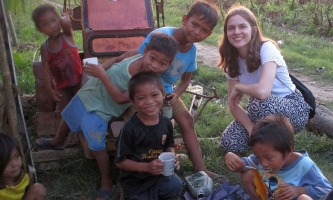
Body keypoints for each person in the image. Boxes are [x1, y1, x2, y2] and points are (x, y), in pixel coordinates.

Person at [35, 32, 179, 200]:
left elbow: (119, 99)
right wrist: (102, 68)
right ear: (145, 51)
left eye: (162, 64)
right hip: (91, 91)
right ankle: (57, 142)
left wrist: (101, 75)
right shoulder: (134, 55)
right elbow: (117, 60)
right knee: (69, 114)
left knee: (96, 144)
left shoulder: (145, 81)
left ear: (168, 65)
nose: (154, 65)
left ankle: (106, 181)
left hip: (103, 109)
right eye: (152, 58)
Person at [102, 0, 225, 182]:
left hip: (166, 93)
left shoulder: (191, 52)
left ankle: (201, 169)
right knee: (140, 123)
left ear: (209, 34)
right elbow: (138, 58)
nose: (197, 32)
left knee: (186, 120)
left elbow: (186, 80)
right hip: (144, 87)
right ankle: (136, 168)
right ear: (185, 19)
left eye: (204, 30)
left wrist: (177, 94)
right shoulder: (160, 36)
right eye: (195, 24)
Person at [218, 4, 311, 153]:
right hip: (261, 112)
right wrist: (251, 130)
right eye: (231, 28)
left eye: (242, 26)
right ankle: (263, 141)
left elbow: (262, 92)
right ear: (226, 32)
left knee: (258, 103)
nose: (236, 32)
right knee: (229, 143)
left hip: (294, 108)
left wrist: (239, 87)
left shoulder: (267, 48)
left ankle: (280, 143)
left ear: (253, 30)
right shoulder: (232, 59)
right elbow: (233, 104)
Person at [224, 115, 332, 200]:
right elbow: (242, 166)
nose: (263, 163)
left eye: (269, 158)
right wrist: (230, 157)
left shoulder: (304, 165)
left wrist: (300, 190)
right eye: (258, 157)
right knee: (247, 174)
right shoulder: (261, 157)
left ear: (289, 150)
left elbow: (327, 190)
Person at [115, 71, 184, 199]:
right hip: (135, 180)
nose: (149, 102)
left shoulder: (166, 123)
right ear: (133, 102)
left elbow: (169, 145)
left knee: (177, 186)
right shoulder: (130, 128)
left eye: (154, 95)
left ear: (163, 94)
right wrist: (146, 167)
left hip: (159, 176)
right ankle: (126, 193)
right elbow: (120, 162)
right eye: (141, 98)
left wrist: (172, 157)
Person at [32, 4, 82, 112]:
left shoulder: (67, 35)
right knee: (66, 112)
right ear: (40, 29)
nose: (52, 26)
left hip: (79, 82)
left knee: (82, 107)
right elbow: (46, 70)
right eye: (45, 24)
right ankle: (68, 128)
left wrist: (65, 16)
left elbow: (66, 24)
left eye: (54, 20)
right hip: (62, 87)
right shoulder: (44, 48)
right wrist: (49, 89)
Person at [0, 133, 47, 200]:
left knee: (38, 189)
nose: (15, 163)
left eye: (17, 156)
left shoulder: (25, 175)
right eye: (7, 161)